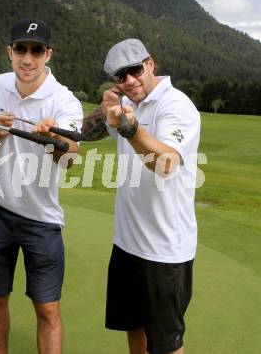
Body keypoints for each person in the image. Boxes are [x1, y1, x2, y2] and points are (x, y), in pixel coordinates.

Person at [0, 17, 83, 354]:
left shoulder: (64, 101)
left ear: (48, 54)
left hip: (42, 218)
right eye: (21, 49)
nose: (27, 59)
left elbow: (69, 157)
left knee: (47, 308)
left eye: (36, 51)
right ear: (10, 52)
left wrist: (52, 139)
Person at [85, 38, 200, 354]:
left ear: (150, 64)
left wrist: (130, 129)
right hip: (127, 244)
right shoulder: (126, 104)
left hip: (164, 250)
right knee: (133, 329)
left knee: (166, 344)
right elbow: (86, 132)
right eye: (121, 76)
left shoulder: (176, 105)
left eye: (135, 70)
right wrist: (105, 108)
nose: (130, 80)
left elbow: (165, 163)